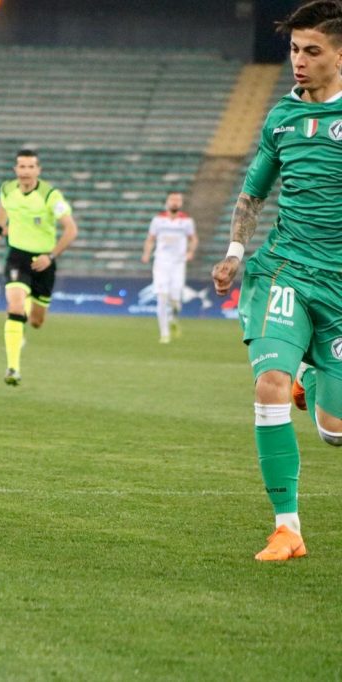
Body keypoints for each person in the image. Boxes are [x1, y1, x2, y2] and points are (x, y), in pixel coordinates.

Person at [211, 0, 342, 561]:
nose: (299, 61)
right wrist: (234, 253)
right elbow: (252, 194)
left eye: (312, 51)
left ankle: (308, 375)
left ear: (340, 55)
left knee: (334, 431)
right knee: (267, 384)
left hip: (339, 284)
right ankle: (287, 528)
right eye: (294, 49)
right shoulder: (280, 118)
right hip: (284, 268)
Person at [0, 149, 78, 386]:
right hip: (17, 256)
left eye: (30, 167)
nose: (25, 171)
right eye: (21, 166)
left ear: (38, 170)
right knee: (15, 306)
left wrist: (51, 256)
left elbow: (71, 230)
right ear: (15, 169)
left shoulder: (50, 196)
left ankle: (24, 316)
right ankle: (12, 368)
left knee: (36, 321)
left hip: (44, 262)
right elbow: (3, 207)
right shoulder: (7, 189)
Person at [141, 191, 198, 343]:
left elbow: (193, 239)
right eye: (172, 199)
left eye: (178, 200)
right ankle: (164, 334)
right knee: (161, 297)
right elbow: (150, 239)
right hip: (161, 262)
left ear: (181, 203)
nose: (175, 202)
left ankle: (173, 317)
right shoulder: (158, 220)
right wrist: (146, 254)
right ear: (167, 202)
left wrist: (190, 252)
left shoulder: (186, 221)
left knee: (175, 300)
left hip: (178, 264)